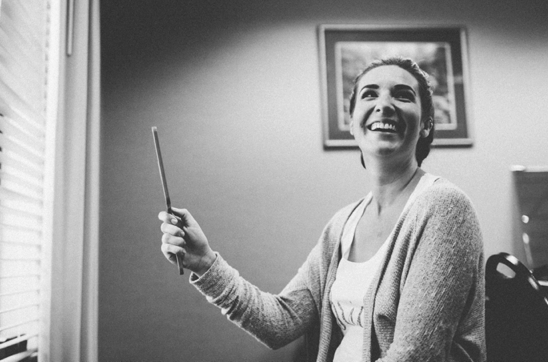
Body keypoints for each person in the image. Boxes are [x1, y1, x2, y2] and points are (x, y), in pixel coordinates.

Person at [158, 57, 485, 362]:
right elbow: (281, 322)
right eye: (369, 95)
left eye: (402, 96)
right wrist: (204, 262)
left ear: (427, 125)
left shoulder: (443, 207)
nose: (383, 105)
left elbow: (415, 355)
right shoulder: (342, 224)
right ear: (353, 124)